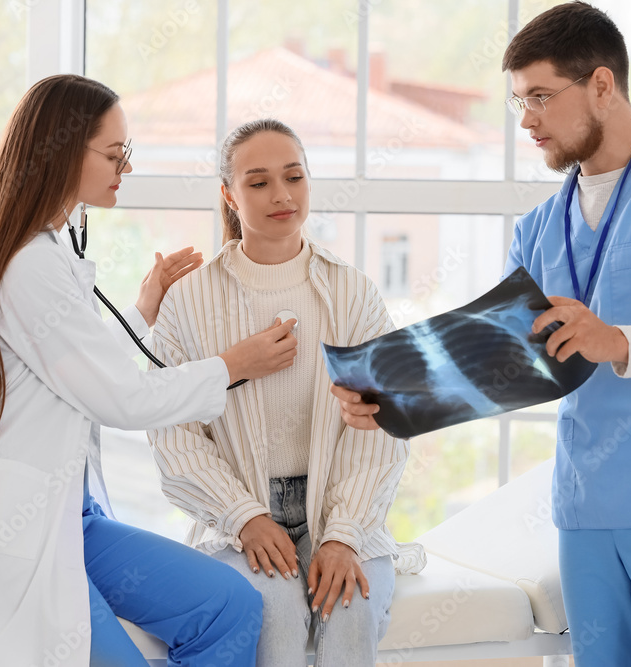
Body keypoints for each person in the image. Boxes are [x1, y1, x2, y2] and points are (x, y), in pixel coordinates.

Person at [333, 3, 631, 665]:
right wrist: (392, 398)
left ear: (602, 85)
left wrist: (620, 340)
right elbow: (513, 360)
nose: (527, 120)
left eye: (540, 97)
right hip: (587, 508)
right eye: (519, 102)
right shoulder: (539, 227)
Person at [0, 74, 301, 667]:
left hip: (71, 521)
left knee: (230, 606)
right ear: (60, 152)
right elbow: (120, 399)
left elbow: (71, 365)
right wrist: (236, 364)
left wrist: (143, 308)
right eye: (114, 153)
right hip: (16, 536)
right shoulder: (28, 265)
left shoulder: (44, 252)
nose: (125, 166)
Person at [146, 118, 425, 667]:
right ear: (228, 195)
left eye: (294, 177)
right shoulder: (187, 301)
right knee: (271, 611)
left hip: (342, 508)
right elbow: (173, 434)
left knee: (350, 608)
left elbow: (383, 425)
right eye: (258, 182)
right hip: (238, 516)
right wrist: (245, 517)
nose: (281, 195)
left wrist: (343, 536)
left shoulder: (353, 292)